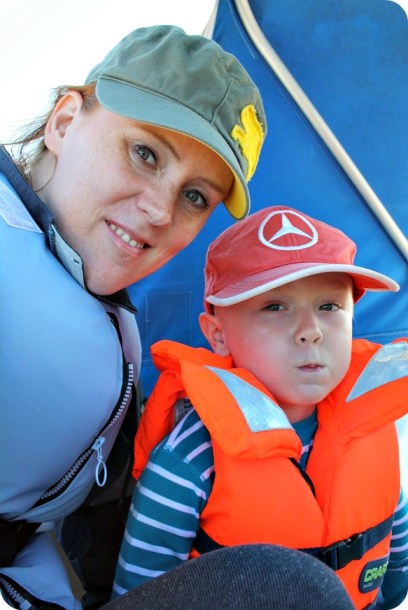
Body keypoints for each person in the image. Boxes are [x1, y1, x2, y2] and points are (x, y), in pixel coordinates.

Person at [0, 25, 267, 609]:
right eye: (145, 154)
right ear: (63, 123)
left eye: (195, 196)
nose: (161, 211)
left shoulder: (82, 284)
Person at [113, 206, 408, 609]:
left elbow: (395, 560)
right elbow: (139, 597)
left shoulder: (374, 428)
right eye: (275, 307)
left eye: (329, 306)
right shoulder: (189, 461)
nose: (310, 332)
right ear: (218, 335)